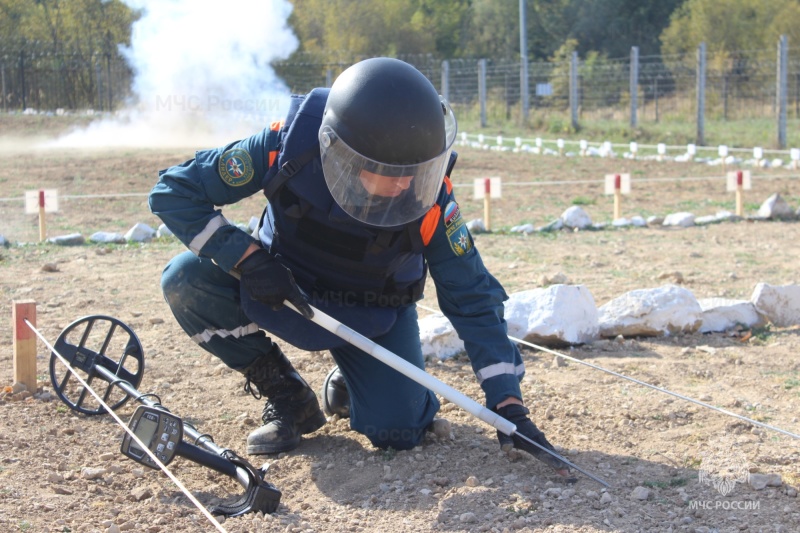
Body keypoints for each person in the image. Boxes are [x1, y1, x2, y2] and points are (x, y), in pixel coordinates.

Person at [149, 57, 567, 475]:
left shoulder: (430, 198)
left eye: (418, 171)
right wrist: (248, 258)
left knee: (398, 432)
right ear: (341, 153)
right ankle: (288, 397)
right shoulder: (286, 147)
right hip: (281, 285)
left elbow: (472, 296)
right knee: (186, 279)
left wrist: (507, 402)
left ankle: (353, 382)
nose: (408, 185)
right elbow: (174, 190)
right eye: (392, 173)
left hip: (372, 310)